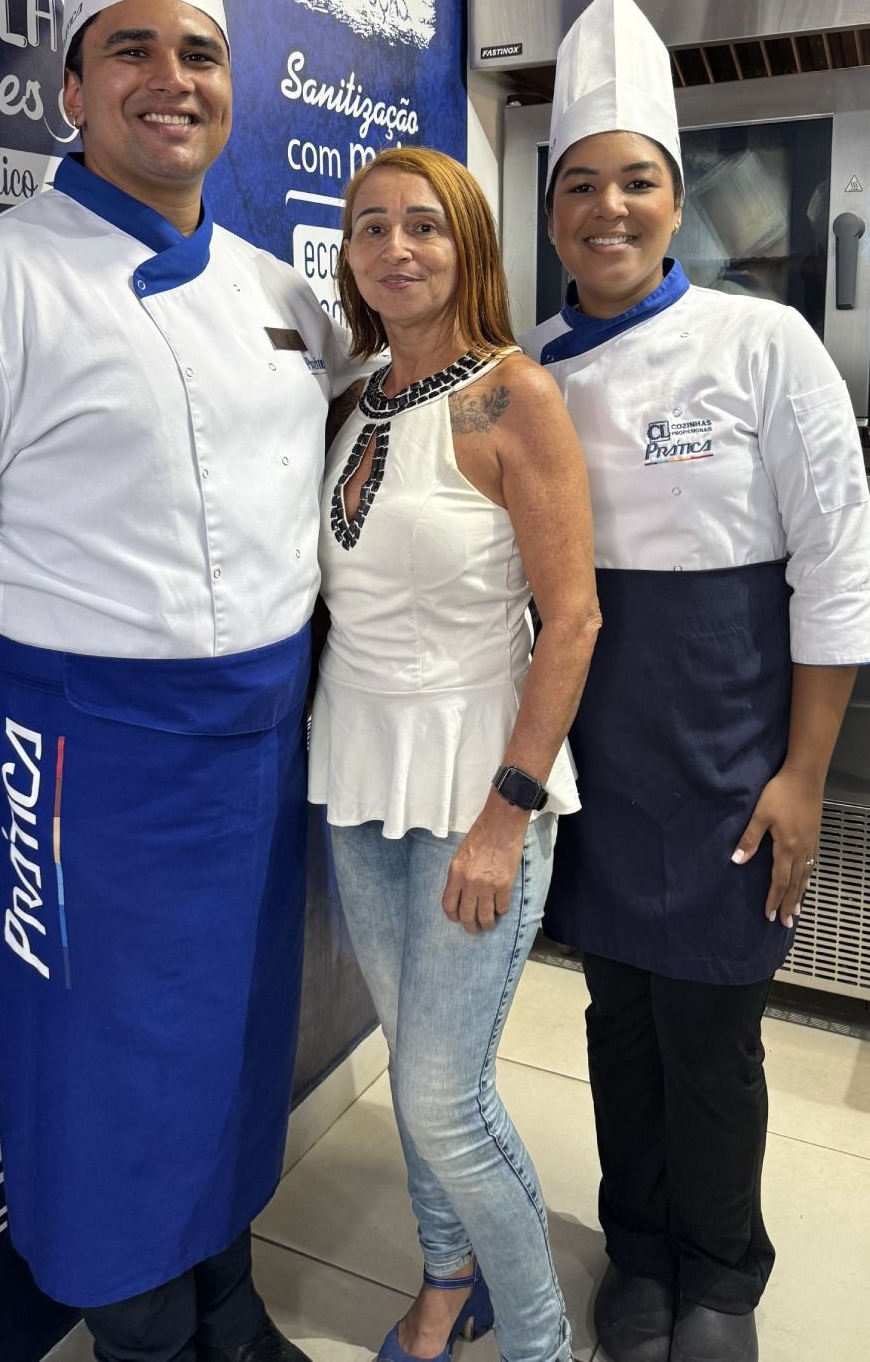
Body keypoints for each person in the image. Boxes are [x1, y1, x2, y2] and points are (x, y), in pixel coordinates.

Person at [0, 0, 356, 1362]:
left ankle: (226, 1297)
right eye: (132, 48)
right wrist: (60, 615)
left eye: (199, 50)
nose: (172, 77)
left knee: (238, 1033)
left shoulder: (283, 294)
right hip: (82, 754)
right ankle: (140, 1329)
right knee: (100, 1066)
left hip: (260, 742)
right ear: (72, 88)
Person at [521, 0, 870, 1362]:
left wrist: (805, 774)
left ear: (678, 201)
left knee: (713, 1034)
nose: (608, 209)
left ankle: (724, 1267)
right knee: (617, 1018)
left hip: (732, 754)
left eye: (639, 183)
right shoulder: (532, 365)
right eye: (581, 187)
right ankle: (644, 1247)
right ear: (553, 209)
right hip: (597, 756)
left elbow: (834, 575)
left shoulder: (765, 345)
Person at [309, 147, 601, 1362]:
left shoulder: (509, 396)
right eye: (370, 227)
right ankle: (446, 1284)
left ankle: (534, 1339)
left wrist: (505, 815)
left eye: (422, 226)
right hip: (356, 768)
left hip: (478, 780)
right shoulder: (352, 396)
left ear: (467, 246)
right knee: (407, 1055)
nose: (394, 248)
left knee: (442, 1094)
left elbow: (571, 617)